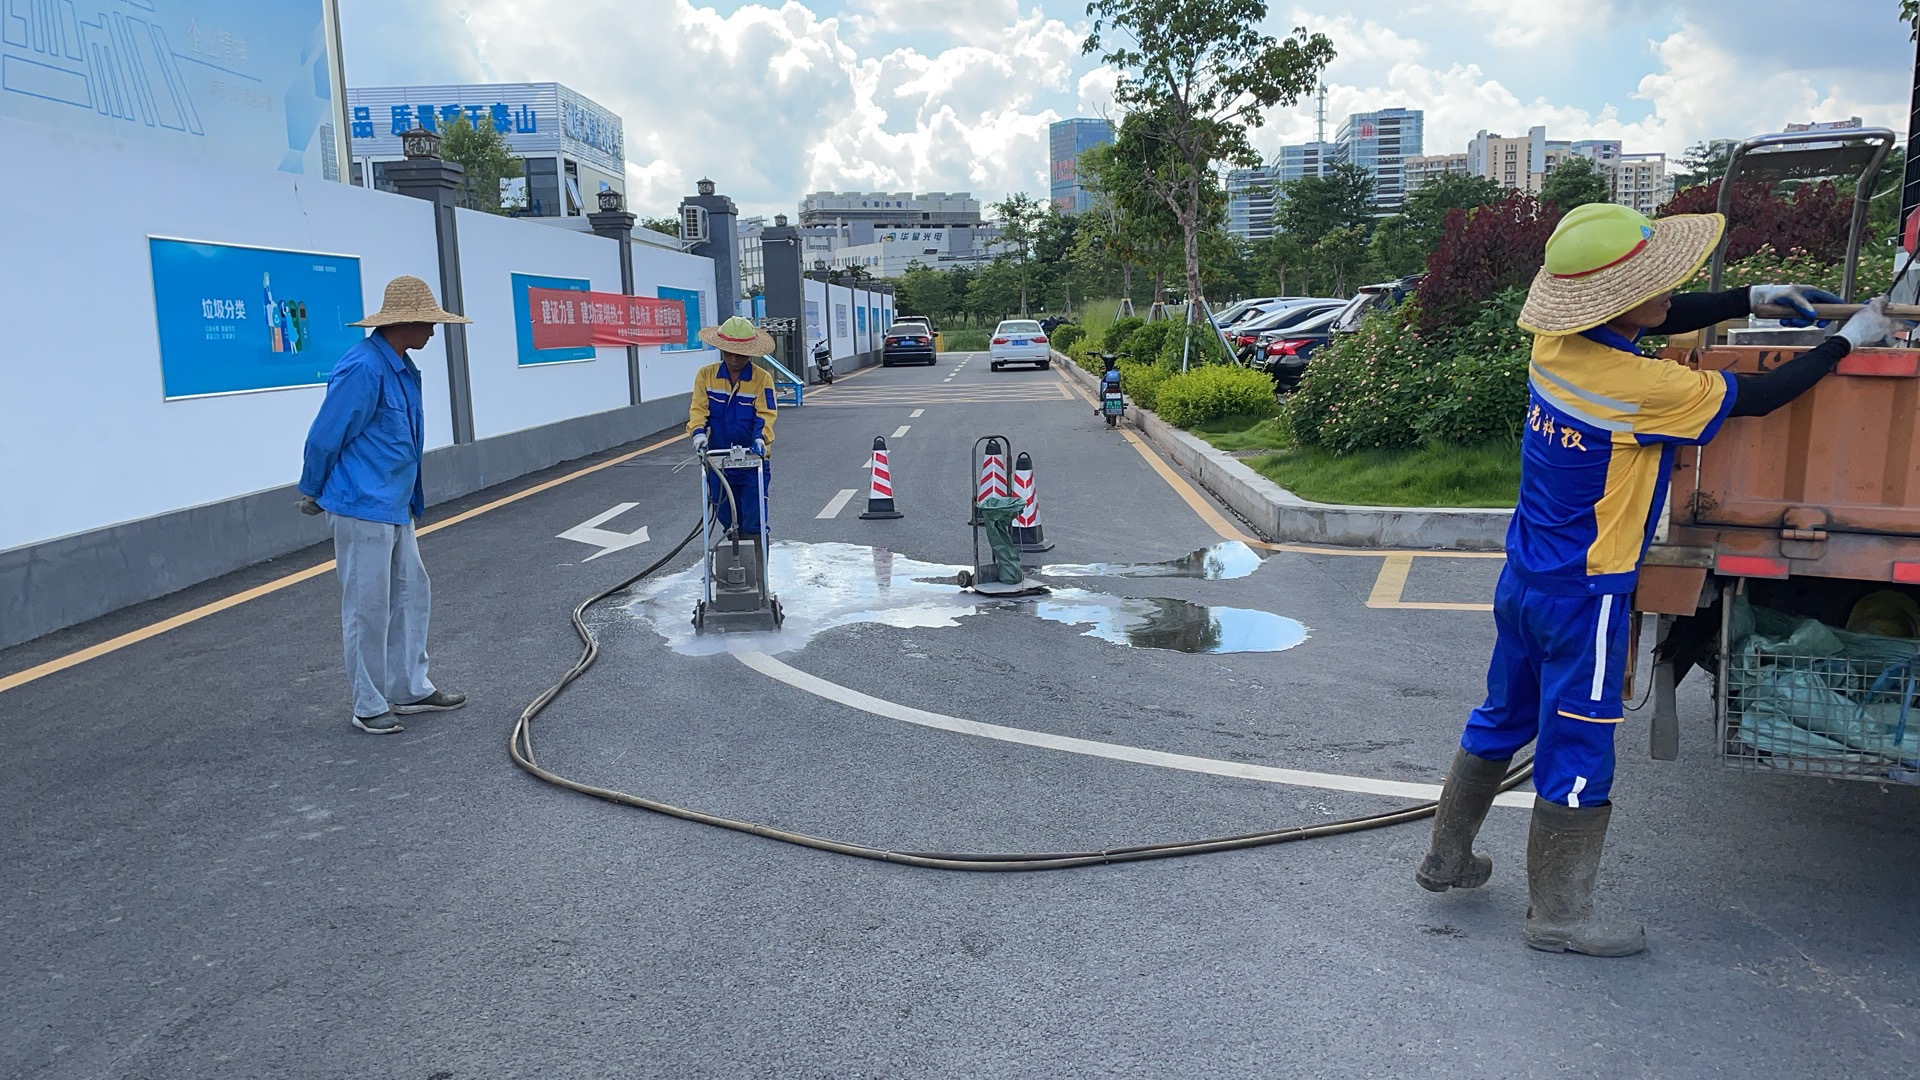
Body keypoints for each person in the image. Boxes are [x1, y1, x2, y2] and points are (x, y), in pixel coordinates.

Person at [1415, 202, 1904, 956]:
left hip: (1524, 581)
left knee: (1500, 716)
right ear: (1618, 304)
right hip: (1589, 594)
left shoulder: (1556, 347)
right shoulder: (1642, 388)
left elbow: (1657, 314)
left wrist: (1748, 299)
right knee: (1579, 744)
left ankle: (1446, 857)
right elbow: (1765, 398)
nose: (1674, 292)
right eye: (1659, 282)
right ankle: (1561, 918)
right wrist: (1846, 341)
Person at [297, 276, 471, 735]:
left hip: (393, 505)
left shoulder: (399, 365)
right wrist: (311, 489)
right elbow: (326, 434)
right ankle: (368, 703)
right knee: (366, 605)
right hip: (361, 504)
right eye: (428, 323)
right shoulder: (364, 369)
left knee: (413, 592)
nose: (433, 332)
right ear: (406, 323)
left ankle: (408, 686)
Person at [687, 316, 780, 537]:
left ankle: (756, 565)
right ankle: (732, 560)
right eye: (728, 352)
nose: (733, 359)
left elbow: (766, 414)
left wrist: (761, 438)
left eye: (739, 354)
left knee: (753, 520)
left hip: (752, 460)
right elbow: (699, 409)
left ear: (749, 352)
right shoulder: (706, 376)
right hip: (719, 462)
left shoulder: (762, 379)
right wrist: (698, 433)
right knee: (727, 518)